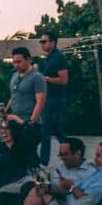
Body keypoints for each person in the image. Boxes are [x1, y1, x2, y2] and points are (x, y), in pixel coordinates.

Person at [2, 140, 102, 205]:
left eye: (98, 156)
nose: (95, 159)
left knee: (29, 189)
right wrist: (48, 187)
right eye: (60, 154)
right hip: (63, 196)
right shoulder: (101, 172)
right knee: (33, 187)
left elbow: (87, 202)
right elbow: (67, 188)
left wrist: (70, 187)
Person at [38, 31, 69, 165]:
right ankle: (73, 150)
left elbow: (64, 80)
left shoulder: (59, 57)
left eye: (44, 41)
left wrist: (47, 79)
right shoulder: (49, 58)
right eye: (41, 42)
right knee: (57, 130)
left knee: (45, 131)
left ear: (53, 42)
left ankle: (43, 162)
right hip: (49, 98)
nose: (42, 44)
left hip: (55, 99)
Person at [0, 46, 46, 127]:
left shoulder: (37, 77)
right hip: (15, 121)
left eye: (19, 62)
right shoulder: (14, 75)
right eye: (14, 62)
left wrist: (31, 123)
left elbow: (41, 101)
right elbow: (14, 94)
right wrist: (5, 110)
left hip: (29, 122)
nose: (16, 65)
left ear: (28, 60)